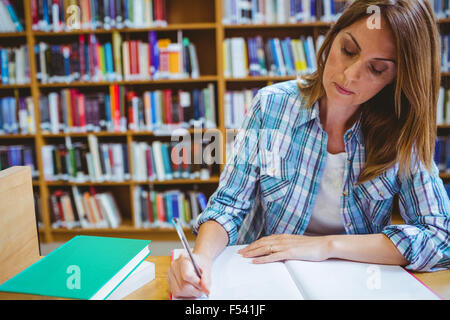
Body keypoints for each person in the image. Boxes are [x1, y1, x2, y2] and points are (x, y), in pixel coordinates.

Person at [168, 0, 450, 298]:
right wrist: (200, 258)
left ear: (398, 77)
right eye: (348, 50)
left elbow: (439, 236)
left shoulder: (402, 130)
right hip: (265, 278)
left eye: (377, 69)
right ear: (333, 36)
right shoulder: (272, 105)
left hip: (355, 285)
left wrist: (324, 246)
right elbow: (228, 206)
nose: (349, 75)